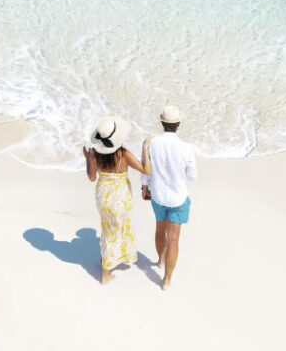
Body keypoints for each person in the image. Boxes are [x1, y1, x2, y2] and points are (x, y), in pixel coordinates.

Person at [81, 117, 149, 284]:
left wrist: (88, 159)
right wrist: (145, 149)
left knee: (108, 228)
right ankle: (106, 272)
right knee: (119, 229)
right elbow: (146, 170)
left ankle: (108, 258)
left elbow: (92, 177)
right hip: (120, 196)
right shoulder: (123, 154)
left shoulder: (95, 154)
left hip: (103, 195)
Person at [140, 106, 200, 289]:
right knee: (173, 239)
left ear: (162, 122)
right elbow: (192, 176)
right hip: (178, 198)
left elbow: (146, 170)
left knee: (160, 229)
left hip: (157, 195)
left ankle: (160, 260)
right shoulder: (186, 148)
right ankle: (166, 280)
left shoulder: (151, 143)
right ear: (178, 124)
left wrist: (144, 188)